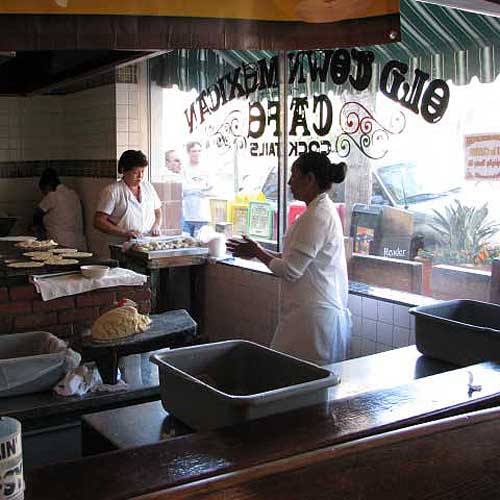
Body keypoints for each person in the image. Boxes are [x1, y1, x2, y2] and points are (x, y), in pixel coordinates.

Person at [227, 152, 351, 366]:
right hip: (309, 314)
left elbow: (291, 270)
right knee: (287, 376)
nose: (289, 182)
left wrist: (258, 252)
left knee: (295, 381)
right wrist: (257, 252)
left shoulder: (317, 215)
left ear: (310, 179)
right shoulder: (317, 210)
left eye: (294, 175)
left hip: (314, 319)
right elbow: (292, 259)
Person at [94, 150, 162, 247]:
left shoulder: (148, 187)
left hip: (146, 243)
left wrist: (156, 226)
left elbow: (158, 211)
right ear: (123, 170)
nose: (140, 176)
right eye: (135, 172)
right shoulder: (112, 191)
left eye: (142, 171)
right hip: (121, 245)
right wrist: (125, 232)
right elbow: (99, 221)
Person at [33, 168, 87, 250]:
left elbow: (37, 214)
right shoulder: (73, 194)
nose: (44, 195)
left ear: (47, 186)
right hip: (78, 242)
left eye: (44, 191)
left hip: (60, 242)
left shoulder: (52, 196)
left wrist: (36, 229)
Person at [182, 141, 213, 236]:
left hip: (202, 213)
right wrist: (200, 188)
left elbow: (211, 187)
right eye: (194, 151)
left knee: (201, 240)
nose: (197, 153)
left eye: (199, 151)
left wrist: (193, 189)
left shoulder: (207, 168)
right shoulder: (184, 168)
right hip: (187, 213)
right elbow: (183, 188)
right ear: (188, 152)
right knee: (187, 241)